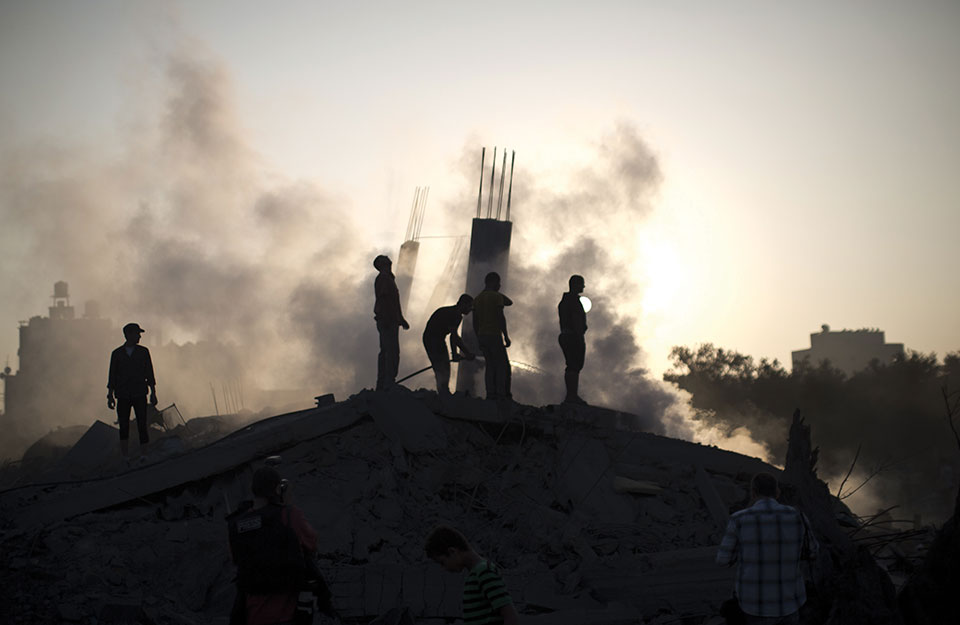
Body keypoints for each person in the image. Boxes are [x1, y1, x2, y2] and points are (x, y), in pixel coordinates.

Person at [228, 467, 331, 625]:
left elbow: (236, 558)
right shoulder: (288, 515)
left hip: (251, 613)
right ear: (278, 489)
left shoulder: (237, 522)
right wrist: (287, 504)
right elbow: (311, 543)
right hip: (287, 612)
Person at [716, 472, 819, 625]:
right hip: (790, 600)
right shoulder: (799, 516)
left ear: (753, 492)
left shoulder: (739, 519)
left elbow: (723, 560)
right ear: (777, 492)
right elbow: (813, 551)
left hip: (754, 603)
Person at [425, 525, 520, 625]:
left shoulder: (484, 572)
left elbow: (511, 618)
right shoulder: (475, 574)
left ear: (452, 551)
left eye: (442, 562)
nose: (444, 568)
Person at [107, 322, 157, 458]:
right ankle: (125, 456)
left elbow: (149, 373)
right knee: (124, 426)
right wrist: (110, 395)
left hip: (139, 393)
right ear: (128, 335)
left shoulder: (143, 352)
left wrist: (153, 393)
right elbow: (112, 376)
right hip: (122, 395)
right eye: (137, 333)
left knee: (142, 424)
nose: (139, 337)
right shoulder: (117, 354)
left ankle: (144, 455)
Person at [423, 294, 476, 395]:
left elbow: (454, 337)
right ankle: (443, 392)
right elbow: (454, 337)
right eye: (470, 306)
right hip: (433, 340)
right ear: (463, 304)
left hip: (435, 339)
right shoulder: (455, 315)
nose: (470, 310)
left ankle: (443, 391)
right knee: (442, 368)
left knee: (443, 366)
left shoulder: (451, 311)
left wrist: (460, 353)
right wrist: (462, 353)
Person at [472, 272, 513, 400]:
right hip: (494, 335)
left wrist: (478, 337)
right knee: (502, 366)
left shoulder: (477, 298)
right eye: (498, 282)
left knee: (490, 365)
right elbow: (501, 316)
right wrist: (506, 336)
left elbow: (475, 321)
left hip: (482, 336)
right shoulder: (496, 297)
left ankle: (490, 394)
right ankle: (501, 395)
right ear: (494, 282)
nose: (500, 285)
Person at [373, 255, 410, 390]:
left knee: (388, 350)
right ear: (382, 264)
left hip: (390, 319)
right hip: (387, 320)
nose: (390, 261)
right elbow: (384, 300)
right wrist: (389, 319)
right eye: (386, 260)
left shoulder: (388, 279)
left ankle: (384, 382)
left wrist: (400, 319)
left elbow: (393, 302)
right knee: (391, 351)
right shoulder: (384, 278)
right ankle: (387, 382)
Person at [558, 274, 588, 405]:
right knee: (574, 366)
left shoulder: (564, 301)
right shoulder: (573, 301)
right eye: (581, 284)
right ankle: (572, 396)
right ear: (575, 285)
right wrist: (579, 334)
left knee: (572, 366)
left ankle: (571, 395)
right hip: (573, 337)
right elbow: (576, 321)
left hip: (567, 335)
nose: (583, 286)